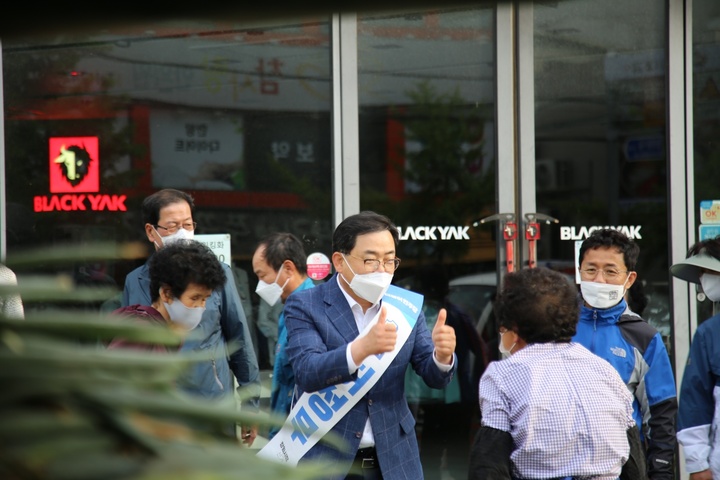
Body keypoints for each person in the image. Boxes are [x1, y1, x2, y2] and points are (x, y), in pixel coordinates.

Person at [278, 210, 457, 480]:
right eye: (371, 260)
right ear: (339, 261)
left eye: (389, 261)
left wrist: (442, 357)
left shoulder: (405, 306)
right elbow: (307, 370)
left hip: (395, 458)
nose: (382, 271)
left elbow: (433, 376)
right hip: (329, 460)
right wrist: (361, 349)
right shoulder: (306, 305)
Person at [468, 267, 647, 480]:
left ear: (513, 330)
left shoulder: (501, 375)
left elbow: (489, 465)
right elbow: (634, 462)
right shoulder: (605, 370)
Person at [121, 188, 260, 444]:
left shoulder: (218, 275)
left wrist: (250, 402)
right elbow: (128, 346)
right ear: (151, 231)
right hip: (158, 412)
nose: (182, 233)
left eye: (188, 224)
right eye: (172, 226)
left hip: (211, 404)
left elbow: (239, 338)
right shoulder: (135, 281)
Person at [572, 228, 677, 480]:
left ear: (629, 279)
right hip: (561, 466)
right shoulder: (557, 327)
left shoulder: (644, 337)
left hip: (621, 468)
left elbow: (661, 412)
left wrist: (660, 470)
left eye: (610, 271)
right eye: (590, 269)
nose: (599, 279)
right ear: (579, 272)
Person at [251, 232, 316, 439]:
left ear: (288, 268)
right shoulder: (289, 309)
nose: (260, 285)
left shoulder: (312, 311)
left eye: (262, 276)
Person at [109, 239, 226, 352]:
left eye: (205, 299)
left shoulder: (169, 333)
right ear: (166, 293)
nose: (200, 307)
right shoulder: (141, 331)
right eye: (194, 298)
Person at [670, 236, 720, 479]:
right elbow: (695, 401)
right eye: (701, 273)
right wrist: (697, 465)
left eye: (708, 271)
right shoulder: (709, 333)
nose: (703, 280)